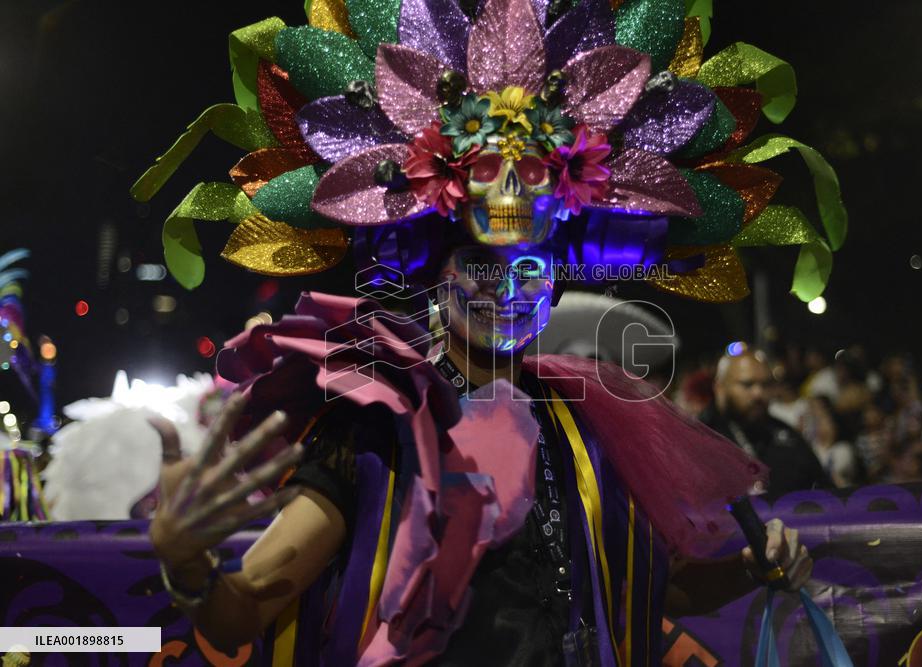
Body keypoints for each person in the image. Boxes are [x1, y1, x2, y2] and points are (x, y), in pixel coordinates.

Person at [136, 0, 845, 661]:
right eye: (480, 260)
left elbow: (652, 590)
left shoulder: (586, 425)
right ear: (436, 270)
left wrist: (750, 569)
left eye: (529, 261)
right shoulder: (377, 429)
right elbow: (238, 614)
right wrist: (190, 565)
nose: (507, 286)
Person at [702, 350, 828, 497]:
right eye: (747, 384)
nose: (758, 393)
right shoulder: (699, 436)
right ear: (720, 388)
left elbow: (825, 492)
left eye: (766, 384)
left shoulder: (787, 436)